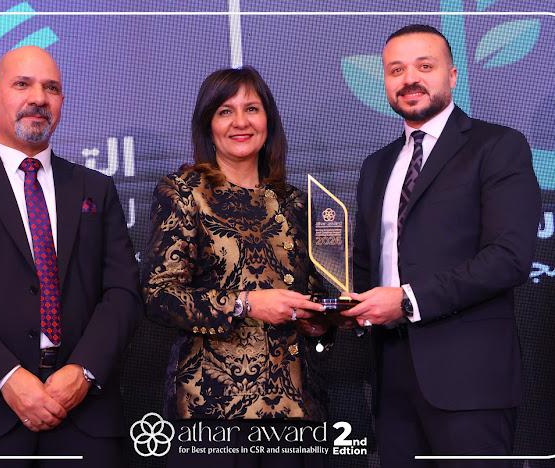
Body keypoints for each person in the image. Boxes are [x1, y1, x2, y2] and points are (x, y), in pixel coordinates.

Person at [0, 46, 142, 466]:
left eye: (51, 88)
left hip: (85, 418)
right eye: (22, 84)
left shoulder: (96, 189)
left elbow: (123, 292)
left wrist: (83, 372)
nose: (39, 98)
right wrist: (8, 377)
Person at [343, 24, 542, 466]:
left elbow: (509, 258)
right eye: (396, 70)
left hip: (470, 381)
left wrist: (407, 301)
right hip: (389, 377)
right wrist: (338, 310)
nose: (410, 79)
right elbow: (365, 266)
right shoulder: (376, 166)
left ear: (452, 75)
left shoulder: (498, 146)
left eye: (424, 66)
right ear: (385, 81)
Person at [141, 66, 330, 466]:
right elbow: (160, 295)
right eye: (225, 111)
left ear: (268, 121)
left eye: (252, 109)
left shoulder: (294, 202)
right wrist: (245, 303)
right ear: (207, 125)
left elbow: (311, 291)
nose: (240, 122)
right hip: (212, 412)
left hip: (295, 412)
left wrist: (321, 320)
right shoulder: (184, 193)